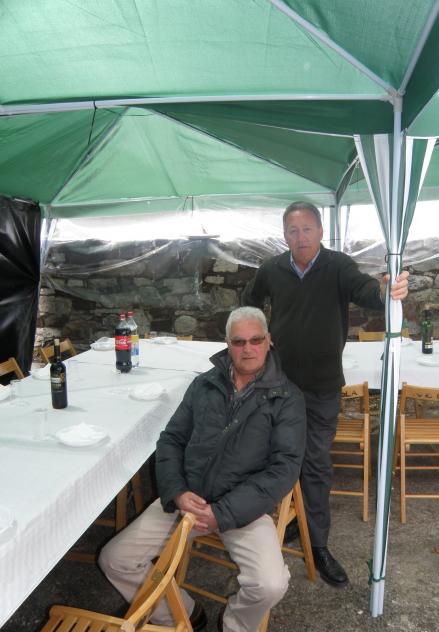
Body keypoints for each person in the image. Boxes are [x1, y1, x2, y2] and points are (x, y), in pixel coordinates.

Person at [99, 306, 306, 632]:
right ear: (227, 343)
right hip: (188, 501)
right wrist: (177, 492)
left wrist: (222, 513)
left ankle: (234, 625)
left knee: (270, 584)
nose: (248, 349)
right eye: (238, 342)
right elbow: (171, 440)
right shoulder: (204, 384)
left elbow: (284, 468)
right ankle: (181, 614)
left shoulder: (287, 398)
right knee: (115, 559)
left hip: (243, 510)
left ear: (269, 341)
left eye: (255, 340)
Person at [242, 201, 409, 588]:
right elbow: (249, 301)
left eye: (307, 229)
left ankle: (317, 544)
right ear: (285, 235)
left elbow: (367, 291)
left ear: (320, 232)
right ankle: (286, 522)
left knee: (315, 464)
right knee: (275, 457)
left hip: (321, 386)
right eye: (292, 231)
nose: (300, 237)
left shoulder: (338, 266)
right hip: (278, 384)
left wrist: (387, 289)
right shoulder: (272, 269)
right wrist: (259, 333)